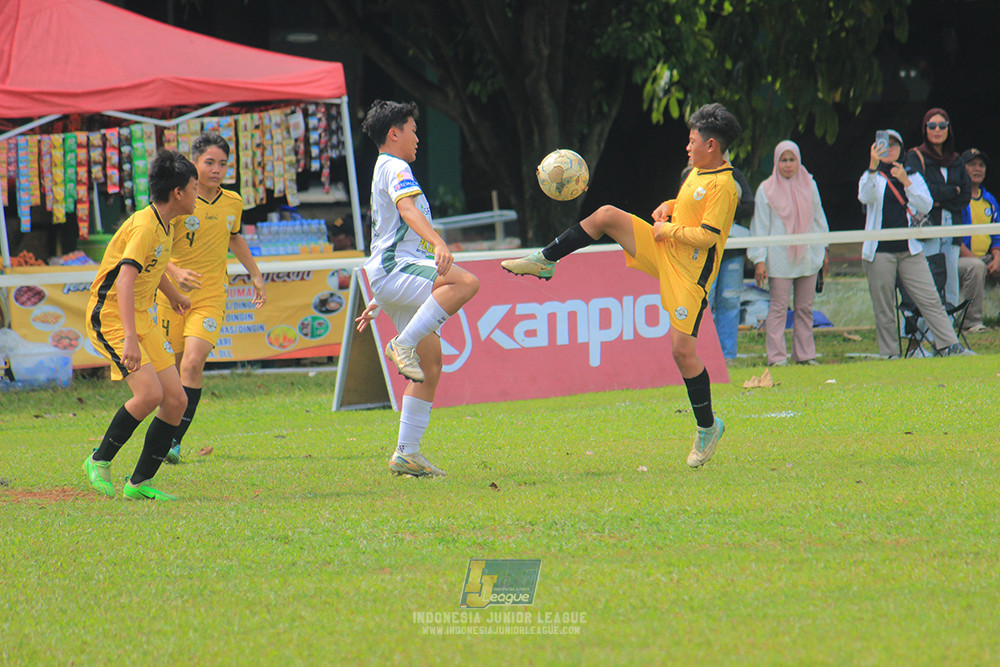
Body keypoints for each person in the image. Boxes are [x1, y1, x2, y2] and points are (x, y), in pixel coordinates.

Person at [501, 102, 740, 468]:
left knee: (682, 353)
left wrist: (668, 228)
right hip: (666, 250)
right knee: (606, 215)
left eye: (693, 142)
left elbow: (708, 235)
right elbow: (692, 206)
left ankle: (708, 427)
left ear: (712, 146)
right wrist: (669, 206)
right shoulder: (697, 172)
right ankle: (546, 259)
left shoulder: (725, 185)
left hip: (689, 276)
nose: (687, 147)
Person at [355, 100, 480, 478]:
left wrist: (379, 297)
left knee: (430, 367)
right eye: (412, 128)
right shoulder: (396, 166)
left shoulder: (385, 168)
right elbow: (407, 212)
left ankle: (406, 454)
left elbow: (392, 232)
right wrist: (440, 244)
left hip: (392, 275)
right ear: (394, 133)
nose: (418, 137)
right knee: (465, 281)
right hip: (395, 270)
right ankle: (401, 344)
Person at [82, 150, 199, 501]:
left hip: (140, 315)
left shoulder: (166, 223)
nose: (197, 194)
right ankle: (98, 460)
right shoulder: (146, 226)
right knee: (149, 394)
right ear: (178, 192)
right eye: (194, 187)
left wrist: (175, 295)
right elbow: (125, 279)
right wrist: (131, 339)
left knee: (176, 400)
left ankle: (139, 483)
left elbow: (154, 266)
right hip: (113, 317)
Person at [156, 132, 266, 464]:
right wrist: (175, 274)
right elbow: (156, 247)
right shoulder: (176, 198)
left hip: (210, 296)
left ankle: (173, 442)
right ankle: (163, 434)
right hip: (170, 296)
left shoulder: (233, 202)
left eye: (222, 164)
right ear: (194, 162)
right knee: (171, 372)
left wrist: (256, 274)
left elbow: (235, 238)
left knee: (192, 363)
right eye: (209, 163)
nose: (216, 170)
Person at [858, 130, 966, 358]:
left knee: (930, 299)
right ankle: (889, 353)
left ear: (902, 150)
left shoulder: (912, 175)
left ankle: (950, 345)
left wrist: (906, 181)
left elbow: (925, 205)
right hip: (879, 253)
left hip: (910, 250)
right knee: (884, 306)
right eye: (885, 146)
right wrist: (872, 165)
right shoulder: (872, 176)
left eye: (895, 146)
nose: (890, 150)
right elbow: (865, 197)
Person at [748, 141, 829, 366]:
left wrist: (824, 250)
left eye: (791, 160)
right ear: (776, 162)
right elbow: (760, 226)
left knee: (805, 308)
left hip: (808, 256)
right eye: (783, 160)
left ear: (798, 160)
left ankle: (805, 356)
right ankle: (777, 358)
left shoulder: (809, 184)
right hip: (779, 259)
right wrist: (759, 260)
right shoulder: (766, 189)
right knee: (778, 307)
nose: (787, 165)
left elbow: (819, 219)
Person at [904, 108, 972, 310]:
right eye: (932, 126)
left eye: (942, 126)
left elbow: (965, 195)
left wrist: (942, 195)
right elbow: (922, 193)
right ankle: (923, 333)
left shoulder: (957, 160)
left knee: (951, 278)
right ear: (925, 129)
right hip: (928, 226)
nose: (937, 130)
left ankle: (948, 336)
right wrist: (953, 190)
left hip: (952, 226)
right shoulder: (915, 157)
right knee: (929, 279)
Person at [704, 157, 753, 364]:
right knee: (705, 304)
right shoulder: (694, 176)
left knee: (730, 303)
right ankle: (705, 356)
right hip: (706, 253)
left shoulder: (736, 175)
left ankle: (728, 357)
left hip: (733, 253)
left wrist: (726, 213)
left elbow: (750, 206)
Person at [957, 147, 1000, 332]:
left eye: (981, 165)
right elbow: (953, 238)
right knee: (977, 267)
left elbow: (997, 235)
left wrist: (997, 258)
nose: (977, 169)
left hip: (987, 257)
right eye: (972, 164)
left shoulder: (990, 200)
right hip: (963, 259)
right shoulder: (957, 198)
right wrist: (975, 260)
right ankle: (971, 324)